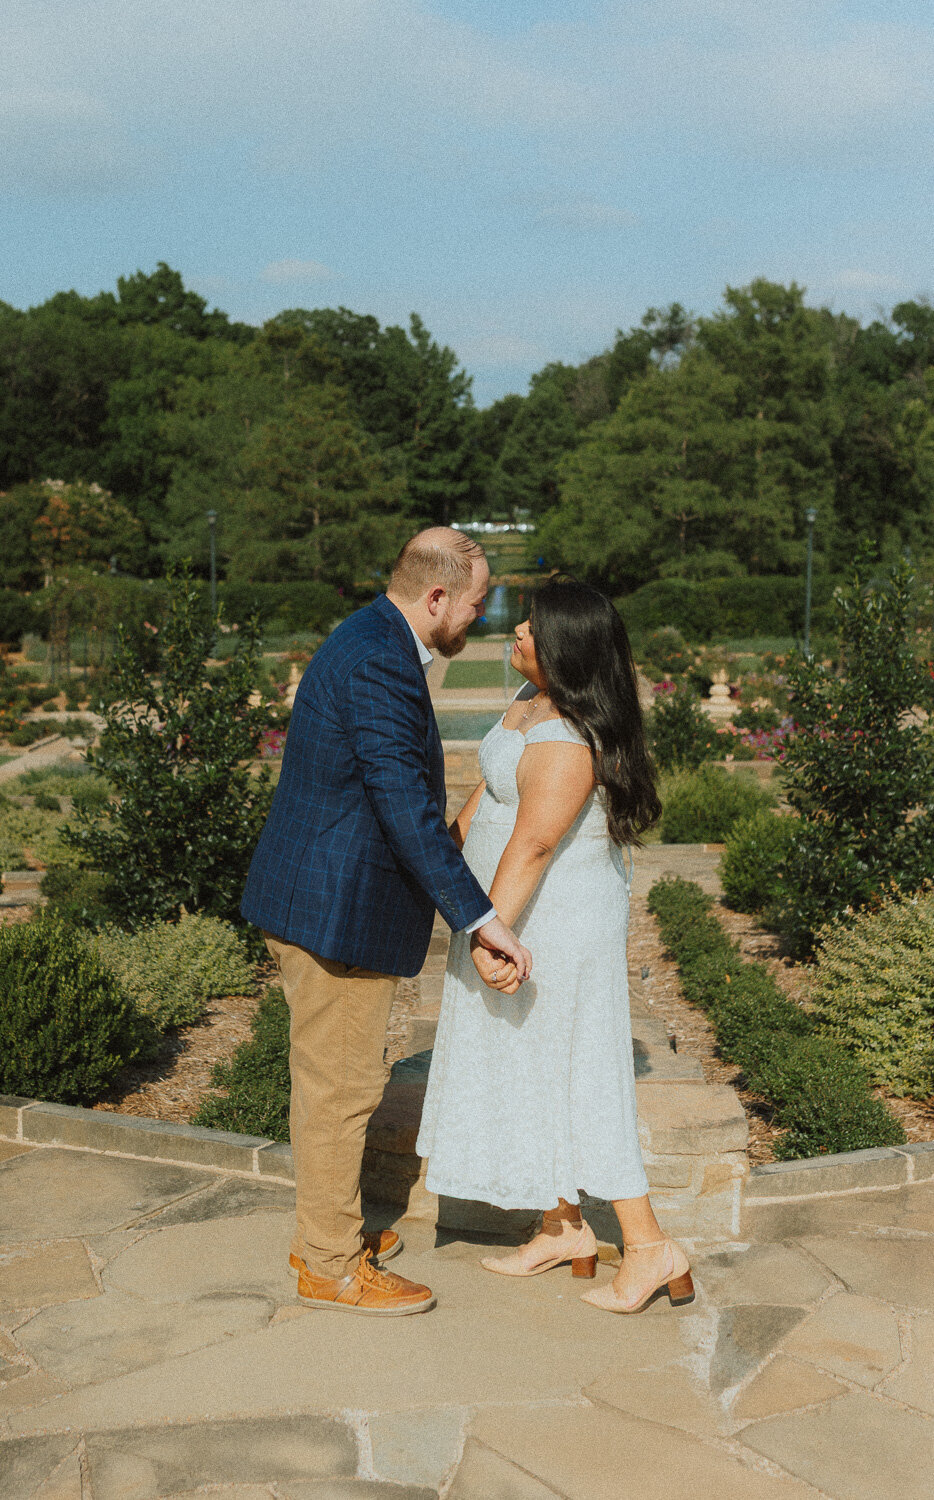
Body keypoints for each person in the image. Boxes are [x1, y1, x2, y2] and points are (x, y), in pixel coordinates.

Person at [241, 527, 531, 1317]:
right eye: (475, 604)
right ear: (435, 597)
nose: (481, 618)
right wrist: (480, 918)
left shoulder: (371, 635)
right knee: (342, 1090)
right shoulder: (378, 658)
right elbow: (404, 808)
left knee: (333, 1083)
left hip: (319, 896)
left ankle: (322, 1233)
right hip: (335, 910)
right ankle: (331, 1266)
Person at [417, 576, 695, 1314]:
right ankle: (564, 1228)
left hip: (552, 924)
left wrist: (489, 936)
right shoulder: (527, 704)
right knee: (526, 1069)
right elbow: (485, 803)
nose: (516, 633)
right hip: (506, 912)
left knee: (577, 1077)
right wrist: (441, 877)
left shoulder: (571, 736)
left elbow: (535, 844)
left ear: (566, 646)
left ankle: (649, 1247)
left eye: (532, 628)